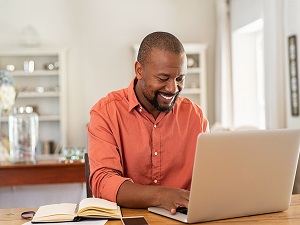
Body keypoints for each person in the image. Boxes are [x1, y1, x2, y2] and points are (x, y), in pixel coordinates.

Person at [88, 31, 209, 214]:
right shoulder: (105, 112)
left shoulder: (195, 116)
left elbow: (210, 178)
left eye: (179, 79)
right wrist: (162, 196)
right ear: (139, 70)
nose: (173, 88)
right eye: (163, 78)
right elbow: (103, 182)